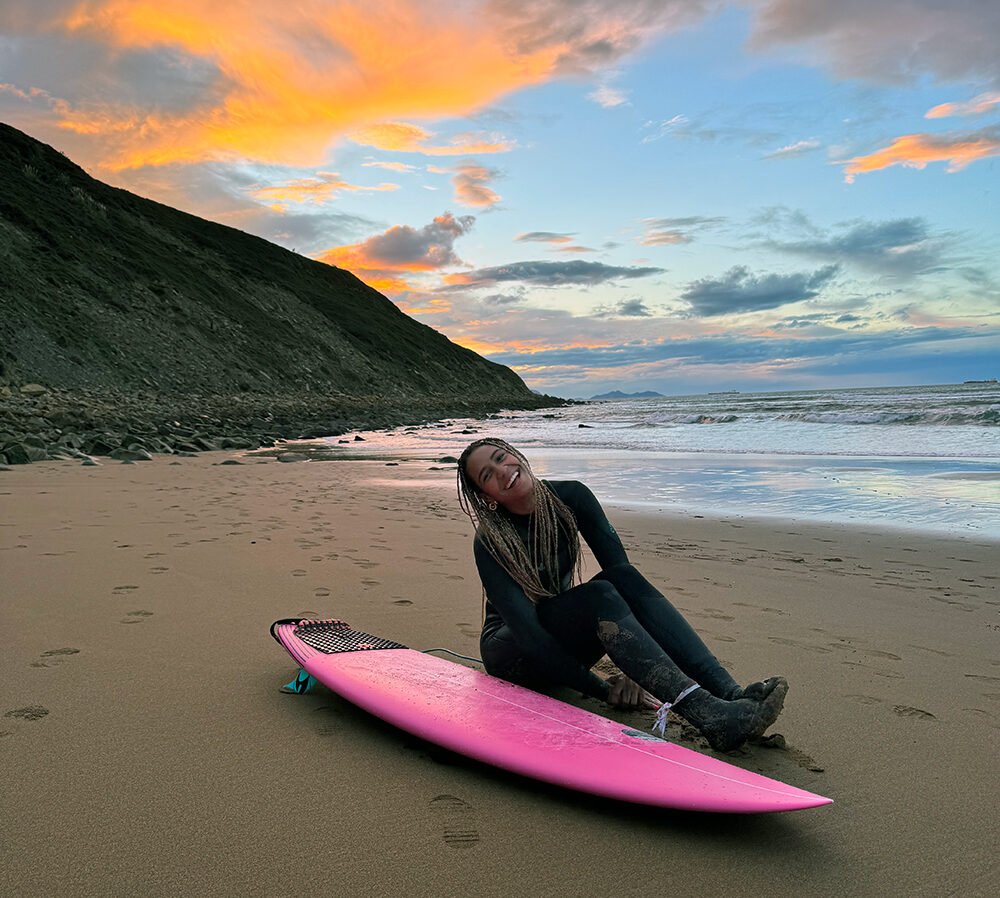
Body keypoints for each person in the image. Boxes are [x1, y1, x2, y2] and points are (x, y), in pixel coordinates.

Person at [457, 437, 788, 752]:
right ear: (487, 496)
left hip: (561, 641)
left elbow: (626, 587)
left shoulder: (570, 498)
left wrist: (636, 669)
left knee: (621, 578)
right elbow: (531, 637)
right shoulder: (490, 541)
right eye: (487, 474)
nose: (502, 471)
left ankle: (728, 693)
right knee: (597, 595)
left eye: (502, 458)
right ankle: (707, 713)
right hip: (515, 656)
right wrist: (603, 689)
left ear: (515, 453)